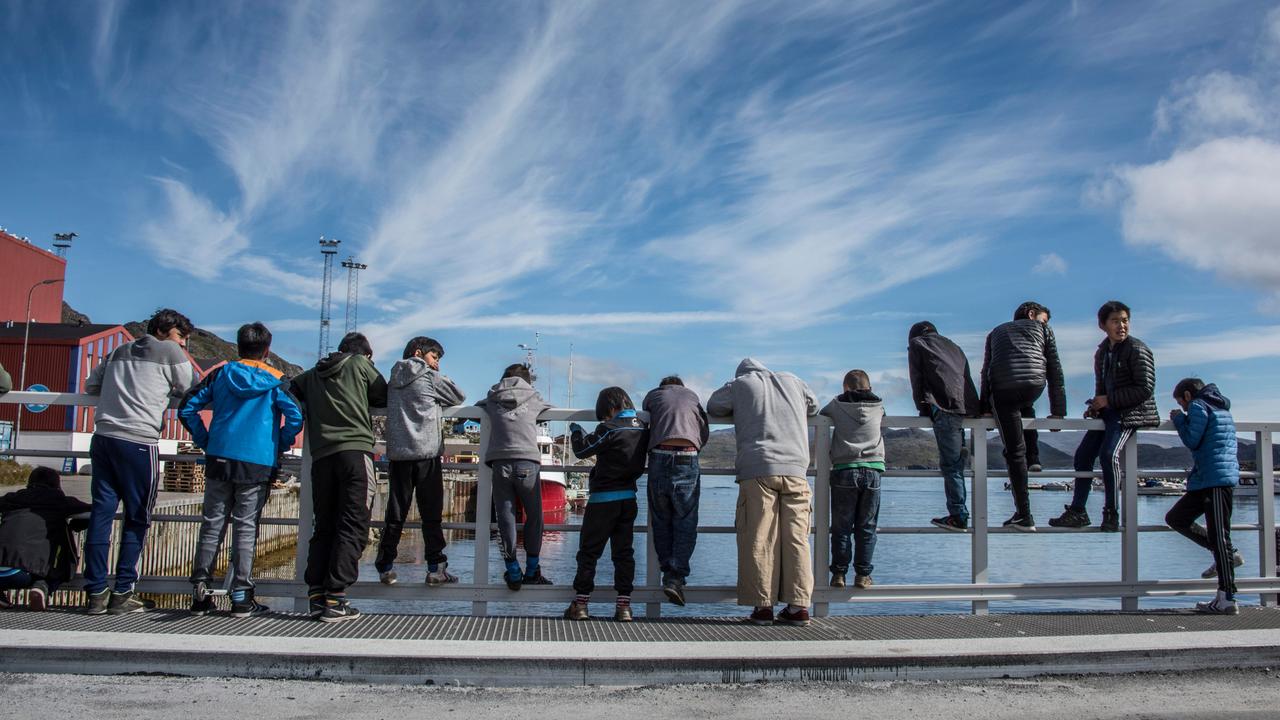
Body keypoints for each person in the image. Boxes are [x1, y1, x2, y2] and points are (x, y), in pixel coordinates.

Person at [177, 322, 303, 617]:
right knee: (246, 528)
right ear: (267, 349)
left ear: (238, 346)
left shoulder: (220, 374)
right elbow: (295, 416)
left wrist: (206, 440)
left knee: (212, 524)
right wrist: (279, 444)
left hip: (220, 456)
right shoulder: (276, 380)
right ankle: (242, 597)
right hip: (257, 461)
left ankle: (200, 593)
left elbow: (187, 408)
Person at [83, 308, 196, 615]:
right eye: (181, 336)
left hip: (103, 437)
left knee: (101, 514)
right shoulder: (170, 351)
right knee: (137, 517)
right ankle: (122, 592)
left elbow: (91, 387)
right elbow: (189, 387)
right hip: (139, 441)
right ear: (164, 330)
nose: (183, 344)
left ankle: (95, 592)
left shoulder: (117, 351)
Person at [708, 358, 818, 627]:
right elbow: (813, 404)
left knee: (758, 537)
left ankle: (763, 608)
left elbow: (713, 406)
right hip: (796, 470)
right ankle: (799, 607)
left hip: (758, 469)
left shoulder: (740, 384)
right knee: (797, 539)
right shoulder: (793, 379)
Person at [289, 331, 388, 623]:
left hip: (321, 456)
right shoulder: (359, 364)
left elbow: (289, 392)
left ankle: (317, 594)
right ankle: (336, 597)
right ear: (365, 355)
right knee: (354, 524)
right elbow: (381, 393)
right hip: (355, 452)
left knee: (325, 525)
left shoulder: (310, 375)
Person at [1050, 301, 1158, 532]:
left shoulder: (1137, 349)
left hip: (1131, 414)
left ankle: (1111, 513)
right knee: (1082, 456)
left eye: (1125, 320)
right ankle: (1078, 511)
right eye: (1115, 321)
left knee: (1109, 455)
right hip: (1110, 414)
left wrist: (1109, 400)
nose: (1122, 326)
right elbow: (1102, 387)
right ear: (1103, 325)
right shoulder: (1102, 353)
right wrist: (1097, 405)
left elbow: (1145, 388)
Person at [375, 336, 466, 587]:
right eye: (434, 357)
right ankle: (436, 568)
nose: (436, 363)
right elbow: (459, 396)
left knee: (396, 513)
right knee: (431, 515)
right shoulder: (429, 376)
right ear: (419, 353)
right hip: (427, 455)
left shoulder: (393, 378)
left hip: (399, 455)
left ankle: (384, 566)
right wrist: (435, 376)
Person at [979, 301, 1066, 532]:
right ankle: (1034, 458)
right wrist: (1058, 412)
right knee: (1026, 406)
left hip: (1003, 390)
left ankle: (1024, 515)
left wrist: (984, 408)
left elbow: (987, 370)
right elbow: (1055, 370)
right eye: (1044, 319)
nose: (1045, 324)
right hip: (1033, 385)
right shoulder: (1044, 331)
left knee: (1013, 452)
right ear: (1031, 314)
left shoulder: (995, 332)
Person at [564, 387, 649, 622]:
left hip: (603, 500)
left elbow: (582, 450)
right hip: (628, 499)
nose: (604, 419)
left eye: (604, 414)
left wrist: (576, 431)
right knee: (624, 553)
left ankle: (580, 604)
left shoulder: (610, 428)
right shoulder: (643, 427)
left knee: (589, 552)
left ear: (611, 408)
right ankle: (624, 607)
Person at [1167, 379, 1241, 614]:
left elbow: (1192, 439)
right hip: (1208, 479)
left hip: (1216, 480)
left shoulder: (1199, 406)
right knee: (1176, 518)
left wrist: (1179, 418)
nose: (1184, 407)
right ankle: (1231, 556)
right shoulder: (1221, 407)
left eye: (1181, 403)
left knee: (1220, 537)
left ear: (1187, 395)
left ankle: (1227, 598)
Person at [475, 364, 552, 591]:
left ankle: (513, 571)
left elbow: (478, 408)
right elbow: (549, 409)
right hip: (527, 462)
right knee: (535, 517)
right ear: (527, 381)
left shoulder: (492, 398)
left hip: (500, 463)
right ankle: (532, 569)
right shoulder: (533, 397)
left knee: (505, 518)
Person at [641, 375, 709, 606]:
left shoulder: (653, 395)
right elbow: (704, 430)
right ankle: (675, 577)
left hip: (659, 455)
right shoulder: (692, 396)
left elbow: (645, 418)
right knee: (686, 520)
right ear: (681, 386)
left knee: (660, 519)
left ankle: (666, 570)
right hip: (688, 456)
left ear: (663, 386)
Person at [907, 321, 979, 532]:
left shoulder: (918, 344)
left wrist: (922, 408)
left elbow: (917, 378)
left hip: (944, 406)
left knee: (951, 465)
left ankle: (958, 515)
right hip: (964, 408)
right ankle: (960, 512)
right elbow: (966, 377)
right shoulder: (954, 346)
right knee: (957, 463)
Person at [820, 370, 885, 590]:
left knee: (841, 527)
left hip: (844, 469)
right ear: (870, 387)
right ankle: (863, 575)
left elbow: (822, 413)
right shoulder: (879, 406)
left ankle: (838, 573)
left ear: (845, 388)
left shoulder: (837, 405)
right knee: (867, 527)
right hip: (873, 469)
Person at [0, 467, 91, 610]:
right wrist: (76, 524)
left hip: (2, 571)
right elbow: (92, 511)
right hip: (26, 573)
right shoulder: (60, 501)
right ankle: (41, 587)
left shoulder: (12, 498)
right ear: (56, 485)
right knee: (59, 563)